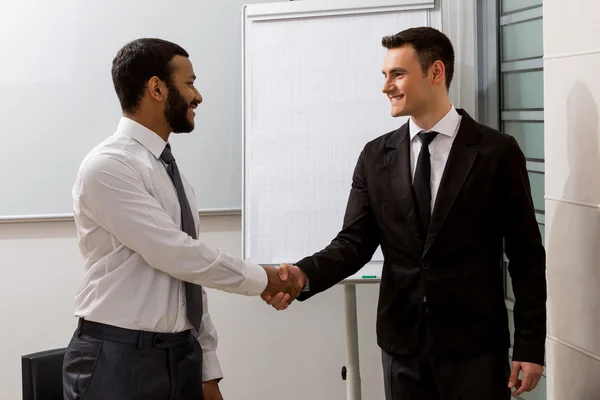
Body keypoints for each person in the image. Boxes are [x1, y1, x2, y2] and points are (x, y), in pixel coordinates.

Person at [264, 27, 547, 399]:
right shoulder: (375, 156)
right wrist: (302, 274)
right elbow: (353, 243)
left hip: (476, 348)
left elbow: (525, 255)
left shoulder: (497, 152)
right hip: (402, 347)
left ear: (436, 72)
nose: (386, 86)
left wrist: (529, 345)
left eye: (397, 74)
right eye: (385, 75)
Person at [62, 38, 300, 400]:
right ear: (157, 88)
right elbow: (175, 254)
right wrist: (263, 278)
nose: (198, 96)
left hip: (179, 356)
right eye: (189, 83)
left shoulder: (171, 174)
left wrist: (207, 370)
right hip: (118, 359)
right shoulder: (108, 166)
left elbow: (188, 277)